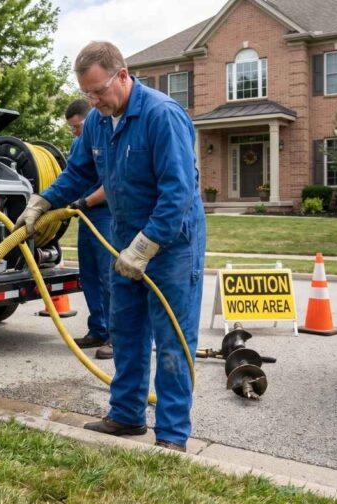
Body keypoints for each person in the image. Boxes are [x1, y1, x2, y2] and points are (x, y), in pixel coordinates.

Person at [15, 41, 205, 452]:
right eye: (88, 94)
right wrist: (44, 200)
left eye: (99, 91)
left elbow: (178, 194)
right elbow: (76, 173)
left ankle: (172, 435)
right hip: (123, 240)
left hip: (172, 244)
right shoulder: (99, 124)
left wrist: (146, 246)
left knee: (172, 338)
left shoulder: (161, 116)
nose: (94, 101)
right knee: (126, 329)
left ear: (123, 75)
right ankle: (126, 416)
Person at [64, 99, 114, 360]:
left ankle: (116, 337)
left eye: (77, 126)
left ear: (90, 119)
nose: (75, 131)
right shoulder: (78, 146)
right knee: (90, 276)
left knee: (109, 278)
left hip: (105, 215)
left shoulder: (107, 139)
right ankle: (98, 329)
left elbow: (113, 183)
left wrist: (87, 201)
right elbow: (72, 178)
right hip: (85, 216)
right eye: (71, 128)